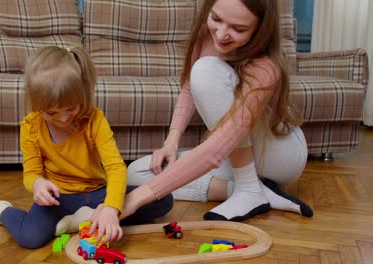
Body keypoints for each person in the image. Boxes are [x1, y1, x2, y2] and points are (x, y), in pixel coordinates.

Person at [0, 46, 173, 249]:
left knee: (163, 198)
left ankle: (85, 217)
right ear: (36, 104)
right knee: (29, 237)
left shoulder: (95, 119)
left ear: (82, 95)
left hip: (98, 192)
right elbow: (31, 174)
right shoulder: (31, 127)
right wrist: (39, 184)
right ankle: (1, 211)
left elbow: (116, 167)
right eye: (52, 113)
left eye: (71, 108)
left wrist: (111, 208)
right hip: (59, 197)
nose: (63, 118)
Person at [124, 0, 313, 222]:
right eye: (216, 19)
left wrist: (135, 199)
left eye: (238, 29)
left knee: (205, 69)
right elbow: (189, 87)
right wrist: (171, 141)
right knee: (137, 174)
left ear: (260, 30)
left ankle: (249, 189)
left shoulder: (266, 67)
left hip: (281, 153)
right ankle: (252, 190)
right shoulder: (206, 34)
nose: (222, 34)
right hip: (239, 152)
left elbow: (217, 148)